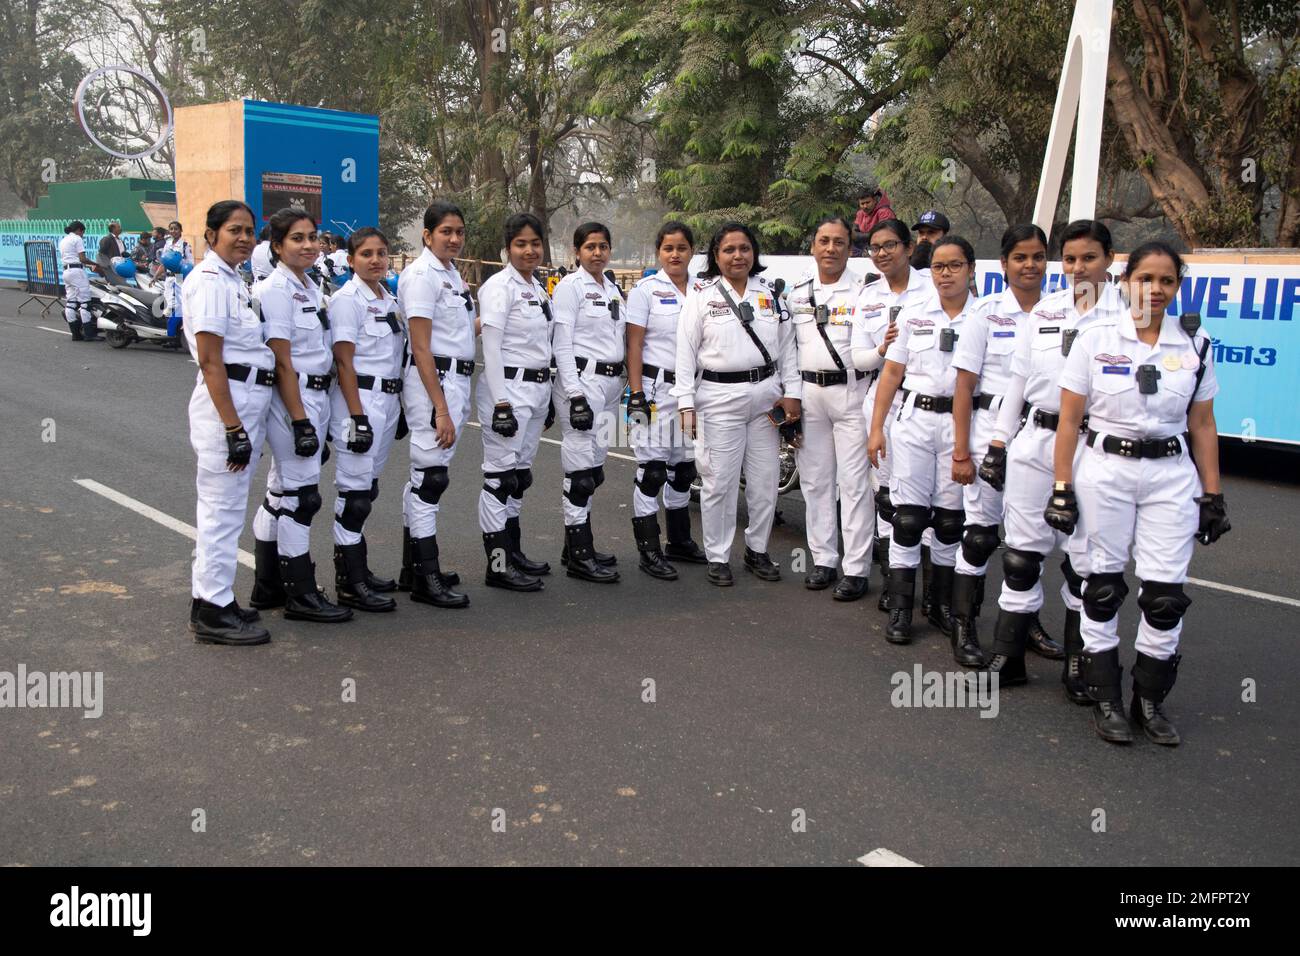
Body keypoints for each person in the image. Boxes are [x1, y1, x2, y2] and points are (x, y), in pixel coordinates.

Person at [1046, 241, 1228, 746]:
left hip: (1171, 475)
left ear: (1177, 287)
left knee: (1165, 597)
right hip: (1105, 470)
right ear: (1127, 281)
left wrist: (1212, 494)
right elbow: (1068, 419)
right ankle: (1105, 697)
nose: (1155, 289)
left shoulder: (1195, 342)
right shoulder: (1094, 336)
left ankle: (1149, 700)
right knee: (1100, 588)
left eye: (1166, 280)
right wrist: (1062, 486)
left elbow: (1204, 423)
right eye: (1145, 278)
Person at [980, 219, 1129, 692]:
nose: (1078, 267)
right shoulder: (1045, 311)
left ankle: (1080, 663)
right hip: (1036, 440)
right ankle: (1009, 657)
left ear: (1109, 259)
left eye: (1089, 257)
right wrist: (999, 444)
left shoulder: (1130, 314)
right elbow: (1016, 384)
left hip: (1093, 447)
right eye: (1070, 259)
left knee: (1083, 563)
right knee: (1022, 556)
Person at [946, 224, 1056, 666]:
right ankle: (964, 625)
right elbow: (963, 387)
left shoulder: (1059, 314)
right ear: (1005, 264)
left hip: (1040, 437)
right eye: (1020, 257)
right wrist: (960, 451)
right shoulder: (985, 314)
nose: (1029, 265)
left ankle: (1026, 622)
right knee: (978, 536)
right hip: (988, 432)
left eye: (1037, 257)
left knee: (1030, 542)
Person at [673, 222, 801, 586]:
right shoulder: (701, 296)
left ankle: (757, 549)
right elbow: (685, 354)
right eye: (729, 250)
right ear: (716, 255)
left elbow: (788, 350)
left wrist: (792, 391)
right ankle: (717, 554)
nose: (738, 256)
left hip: (765, 400)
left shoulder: (772, 295)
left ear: (754, 253)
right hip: (717, 401)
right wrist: (685, 404)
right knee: (719, 482)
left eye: (744, 248)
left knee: (764, 482)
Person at [868, 235, 981, 645]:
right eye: (938, 266)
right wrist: (877, 428)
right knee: (909, 518)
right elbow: (891, 375)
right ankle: (900, 607)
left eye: (954, 265)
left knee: (950, 523)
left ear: (971, 269)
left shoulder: (982, 318)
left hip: (959, 423)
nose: (945, 273)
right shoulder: (913, 314)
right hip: (914, 420)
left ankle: (939, 603)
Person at [245, 209, 351, 624]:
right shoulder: (275, 290)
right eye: (297, 239)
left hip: (316, 397)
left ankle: (268, 586)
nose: (309, 245)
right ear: (277, 246)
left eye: (313, 237)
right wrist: (300, 419)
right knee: (302, 498)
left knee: (280, 492)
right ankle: (301, 594)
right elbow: (283, 362)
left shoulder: (309, 286)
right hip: (296, 397)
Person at [183, 200, 274, 644]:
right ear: (212, 233)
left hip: (243, 403)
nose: (243, 237)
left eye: (249, 230)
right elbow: (210, 359)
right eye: (234, 229)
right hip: (228, 407)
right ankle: (214, 614)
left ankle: (210, 600)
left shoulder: (232, 279)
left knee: (224, 511)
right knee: (221, 513)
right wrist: (233, 428)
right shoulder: (208, 281)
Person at [395, 200, 474, 609]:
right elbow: (422, 348)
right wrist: (440, 407)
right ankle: (427, 578)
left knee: (425, 477)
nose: (454, 238)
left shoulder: (451, 274)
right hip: (434, 382)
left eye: (459, 231)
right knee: (430, 480)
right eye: (446, 231)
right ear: (427, 235)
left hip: (455, 379)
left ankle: (415, 568)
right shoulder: (422, 275)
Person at [789, 216, 873, 600]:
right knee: (816, 482)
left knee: (854, 486)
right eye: (824, 241)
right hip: (809, 395)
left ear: (850, 247)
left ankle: (856, 569)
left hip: (851, 393)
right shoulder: (797, 292)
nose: (831, 249)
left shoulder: (865, 291)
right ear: (813, 246)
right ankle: (823, 559)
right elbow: (787, 349)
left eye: (839, 242)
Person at [851, 219, 930, 609]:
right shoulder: (867, 296)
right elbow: (858, 357)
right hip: (881, 401)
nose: (882, 253)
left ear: (910, 247)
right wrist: (882, 349)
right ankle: (893, 585)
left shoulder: (933, 287)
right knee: (885, 496)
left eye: (890, 245)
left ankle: (932, 590)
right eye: (875, 247)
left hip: (925, 402)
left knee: (924, 500)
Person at [475, 212, 554, 592]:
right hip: (507, 390)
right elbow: (490, 348)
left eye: (535, 243)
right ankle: (498, 564)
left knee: (519, 478)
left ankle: (514, 552)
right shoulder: (498, 287)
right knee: (499, 479)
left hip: (536, 391)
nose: (529, 250)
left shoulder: (537, 287)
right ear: (507, 248)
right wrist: (501, 403)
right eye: (521, 244)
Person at [625, 221, 707, 579]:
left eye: (682, 248)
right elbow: (634, 345)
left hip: (692, 393)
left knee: (683, 469)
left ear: (692, 251)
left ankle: (679, 541)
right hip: (653, 391)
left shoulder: (704, 289)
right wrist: (636, 394)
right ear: (659, 252)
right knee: (651, 471)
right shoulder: (646, 290)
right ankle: (649, 550)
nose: (675, 254)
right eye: (668, 248)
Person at [328, 227, 404, 612]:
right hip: (359, 402)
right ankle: (349, 581)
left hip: (387, 402)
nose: (376, 260)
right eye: (367, 254)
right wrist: (356, 415)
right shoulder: (347, 301)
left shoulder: (387, 298)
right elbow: (344, 361)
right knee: (354, 496)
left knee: (367, 490)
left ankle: (360, 567)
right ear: (351, 259)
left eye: (381, 253)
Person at [551, 222, 627, 583]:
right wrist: (575, 394)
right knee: (579, 474)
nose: (598, 253)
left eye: (603, 246)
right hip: (584, 382)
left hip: (612, 384)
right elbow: (562, 344)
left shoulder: (611, 288)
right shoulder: (570, 288)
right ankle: (580, 557)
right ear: (577, 252)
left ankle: (576, 545)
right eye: (590, 247)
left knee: (594, 471)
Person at [58, 221, 102, 342]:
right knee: (85, 303)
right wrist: (95, 264)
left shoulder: (63, 240)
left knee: (71, 302)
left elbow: (72, 259)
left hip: (66, 272)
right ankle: (89, 334)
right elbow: (82, 259)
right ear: (79, 230)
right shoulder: (77, 239)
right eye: (83, 232)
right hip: (77, 272)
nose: (83, 235)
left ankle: (75, 334)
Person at [852, 188, 894, 256]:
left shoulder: (884, 212)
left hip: (882, 246)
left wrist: (859, 236)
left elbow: (884, 234)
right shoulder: (860, 213)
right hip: (864, 246)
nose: (865, 206)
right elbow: (853, 234)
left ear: (874, 200)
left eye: (868, 202)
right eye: (862, 204)